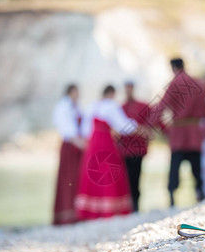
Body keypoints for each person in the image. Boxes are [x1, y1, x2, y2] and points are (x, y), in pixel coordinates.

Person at [75, 85, 140, 220]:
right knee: (108, 172)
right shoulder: (111, 106)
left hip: (93, 143)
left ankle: (92, 210)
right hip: (106, 142)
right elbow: (123, 126)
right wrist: (136, 125)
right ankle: (109, 209)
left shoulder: (92, 106)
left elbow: (85, 129)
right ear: (111, 94)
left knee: (94, 172)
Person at [152, 58, 205, 206]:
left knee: (175, 166)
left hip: (178, 132)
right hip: (194, 132)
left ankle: (172, 197)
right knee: (196, 166)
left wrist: (163, 129)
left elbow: (160, 108)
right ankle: (200, 193)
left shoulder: (175, 83)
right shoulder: (197, 83)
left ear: (173, 67)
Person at [52, 84, 85, 225]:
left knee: (76, 179)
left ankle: (76, 212)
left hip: (76, 147)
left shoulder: (76, 107)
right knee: (68, 180)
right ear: (70, 92)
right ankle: (65, 214)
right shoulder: (63, 106)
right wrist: (80, 143)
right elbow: (66, 129)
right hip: (69, 147)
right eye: (76, 92)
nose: (77, 95)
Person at [118, 81, 151, 212]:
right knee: (127, 177)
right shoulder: (120, 108)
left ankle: (136, 203)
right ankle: (129, 204)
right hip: (125, 150)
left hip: (138, 149)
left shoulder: (142, 106)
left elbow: (149, 125)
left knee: (136, 176)